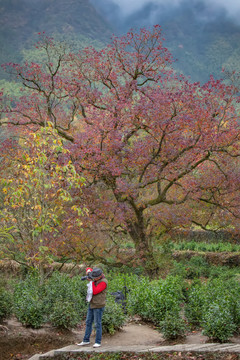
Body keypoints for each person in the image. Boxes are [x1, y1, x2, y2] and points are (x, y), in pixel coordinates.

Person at [77, 267, 108, 348]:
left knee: (97, 324)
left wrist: (91, 281)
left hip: (98, 305)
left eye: (95, 278)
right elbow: (89, 269)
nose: (94, 279)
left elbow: (95, 291)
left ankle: (98, 342)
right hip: (92, 304)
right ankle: (86, 340)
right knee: (88, 322)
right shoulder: (96, 277)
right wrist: (88, 271)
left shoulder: (104, 282)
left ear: (100, 276)